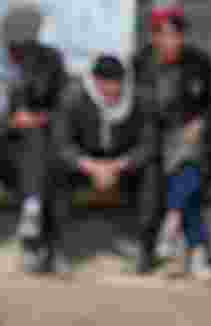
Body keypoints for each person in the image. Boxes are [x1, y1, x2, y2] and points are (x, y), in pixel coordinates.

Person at [50, 55, 160, 275]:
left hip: (122, 163)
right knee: (54, 168)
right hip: (85, 161)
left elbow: (149, 145)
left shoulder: (140, 100)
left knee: (152, 171)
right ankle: (54, 248)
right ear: (95, 81)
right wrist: (90, 165)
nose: (111, 88)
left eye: (116, 82)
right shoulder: (73, 98)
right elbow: (62, 144)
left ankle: (145, 247)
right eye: (106, 83)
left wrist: (119, 165)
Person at [134, 2, 211, 281]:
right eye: (164, 35)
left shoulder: (199, 61)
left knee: (190, 159)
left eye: (176, 35)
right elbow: (136, 107)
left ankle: (172, 221)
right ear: (154, 37)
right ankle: (197, 248)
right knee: (177, 172)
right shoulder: (141, 62)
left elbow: (210, 105)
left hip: (191, 134)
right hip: (155, 136)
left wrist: (201, 123)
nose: (171, 42)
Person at [0, 1, 67, 273]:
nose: (18, 47)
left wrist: (37, 119)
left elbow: (63, 110)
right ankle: (45, 247)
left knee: (42, 160)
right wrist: (10, 122)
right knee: (39, 162)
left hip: (35, 148)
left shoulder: (50, 62)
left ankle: (37, 242)